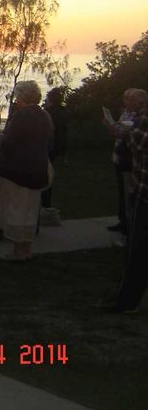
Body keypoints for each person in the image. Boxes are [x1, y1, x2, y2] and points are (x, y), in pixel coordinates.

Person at [0, 81, 54, 260]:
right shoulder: (45, 115)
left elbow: (9, 143)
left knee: (17, 210)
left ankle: (18, 251)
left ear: (21, 96)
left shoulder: (21, 116)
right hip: (37, 169)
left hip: (17, 171)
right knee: (30, 210)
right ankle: (27, 248)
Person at [102, 101, 148, 313]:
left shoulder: (143, 122)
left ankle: (128, 301)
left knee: (139, 250)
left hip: (144, 196)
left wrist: (120, 128)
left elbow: (132, 140)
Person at [105, 88, 144, 237]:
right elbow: (117, 132)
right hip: (119, 158)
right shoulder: (126, 113)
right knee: (123, 193)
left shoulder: (138, 118)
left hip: (130, 161)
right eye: (126, 98)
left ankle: (129, 228)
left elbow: (122, 134)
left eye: (131, 99)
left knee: (130, 194)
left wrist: (111, 127)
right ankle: (123, 221)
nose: (127, 101)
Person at [41, 87, 68, 209]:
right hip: (56, 148)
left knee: (45, 176)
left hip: (47, 148)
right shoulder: (63, 113)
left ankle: (44, 205)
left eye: (47, 98)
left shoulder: (48, 113)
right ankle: (46, 204)